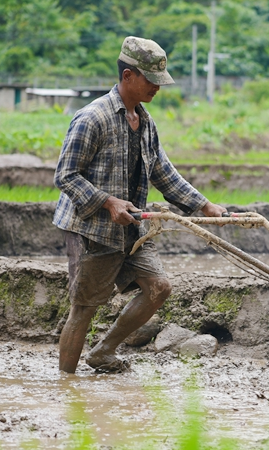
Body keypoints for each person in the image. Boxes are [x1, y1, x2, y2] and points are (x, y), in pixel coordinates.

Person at [53, 36, 226, 374]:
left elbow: (163, 171)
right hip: (93, 230)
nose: (157, 88)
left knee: (159, 288)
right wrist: (107, 202)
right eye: (151, 80)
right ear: (129, 76)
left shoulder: (145, 122)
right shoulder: (92, 118)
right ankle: (66, 386)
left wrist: (204, 205)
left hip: (133, 229)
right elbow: (66, 175)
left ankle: (103, 352)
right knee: (84, 309)